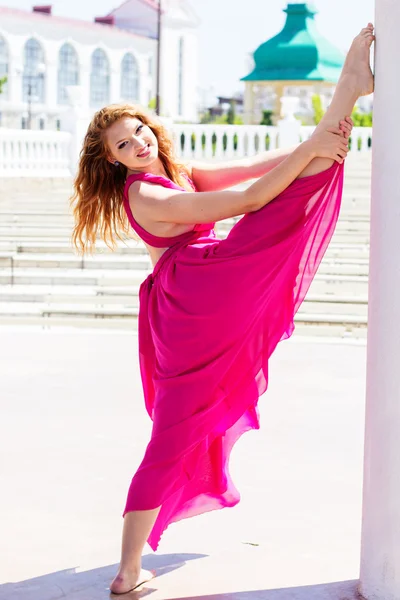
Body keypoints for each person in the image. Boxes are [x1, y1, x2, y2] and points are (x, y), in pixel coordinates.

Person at [70, 24, 374, 595]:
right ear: (111, 162)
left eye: (139, 131)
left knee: (294, 187)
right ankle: (126, 573)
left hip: (202, 294)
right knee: (169, 436)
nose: (138, 143)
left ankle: (345, 95)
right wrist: (313, 145)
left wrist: (314, 142)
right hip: (192, 305)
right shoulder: (146, 192)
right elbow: (245, 200)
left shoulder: (171, 173)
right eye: (123, 144)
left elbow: (254, 168)